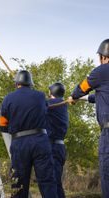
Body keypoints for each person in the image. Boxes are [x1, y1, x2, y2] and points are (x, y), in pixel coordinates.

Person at [0, 70, 57, 198]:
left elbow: (2, 126)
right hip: (40, 141)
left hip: (19, 143)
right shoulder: (41, 96)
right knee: (47, 181)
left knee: (18, 184)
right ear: (31, 83)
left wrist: (15, 130)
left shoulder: (8, 98)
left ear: (16, 84)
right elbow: (46, 115)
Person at [68, 39, 109, 198]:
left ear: (103, 57)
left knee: (107, 175)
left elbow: (82, 88)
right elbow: (101, 95)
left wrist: (73, 96)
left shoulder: (101, 71)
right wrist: (84, 99)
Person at [47, 83, 69, 198]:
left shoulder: (52, 103)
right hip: (58, 148)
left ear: (51, 92)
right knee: (55, 182)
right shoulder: (62, 104)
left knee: (52, 183)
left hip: (53, 148)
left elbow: (35, 105)